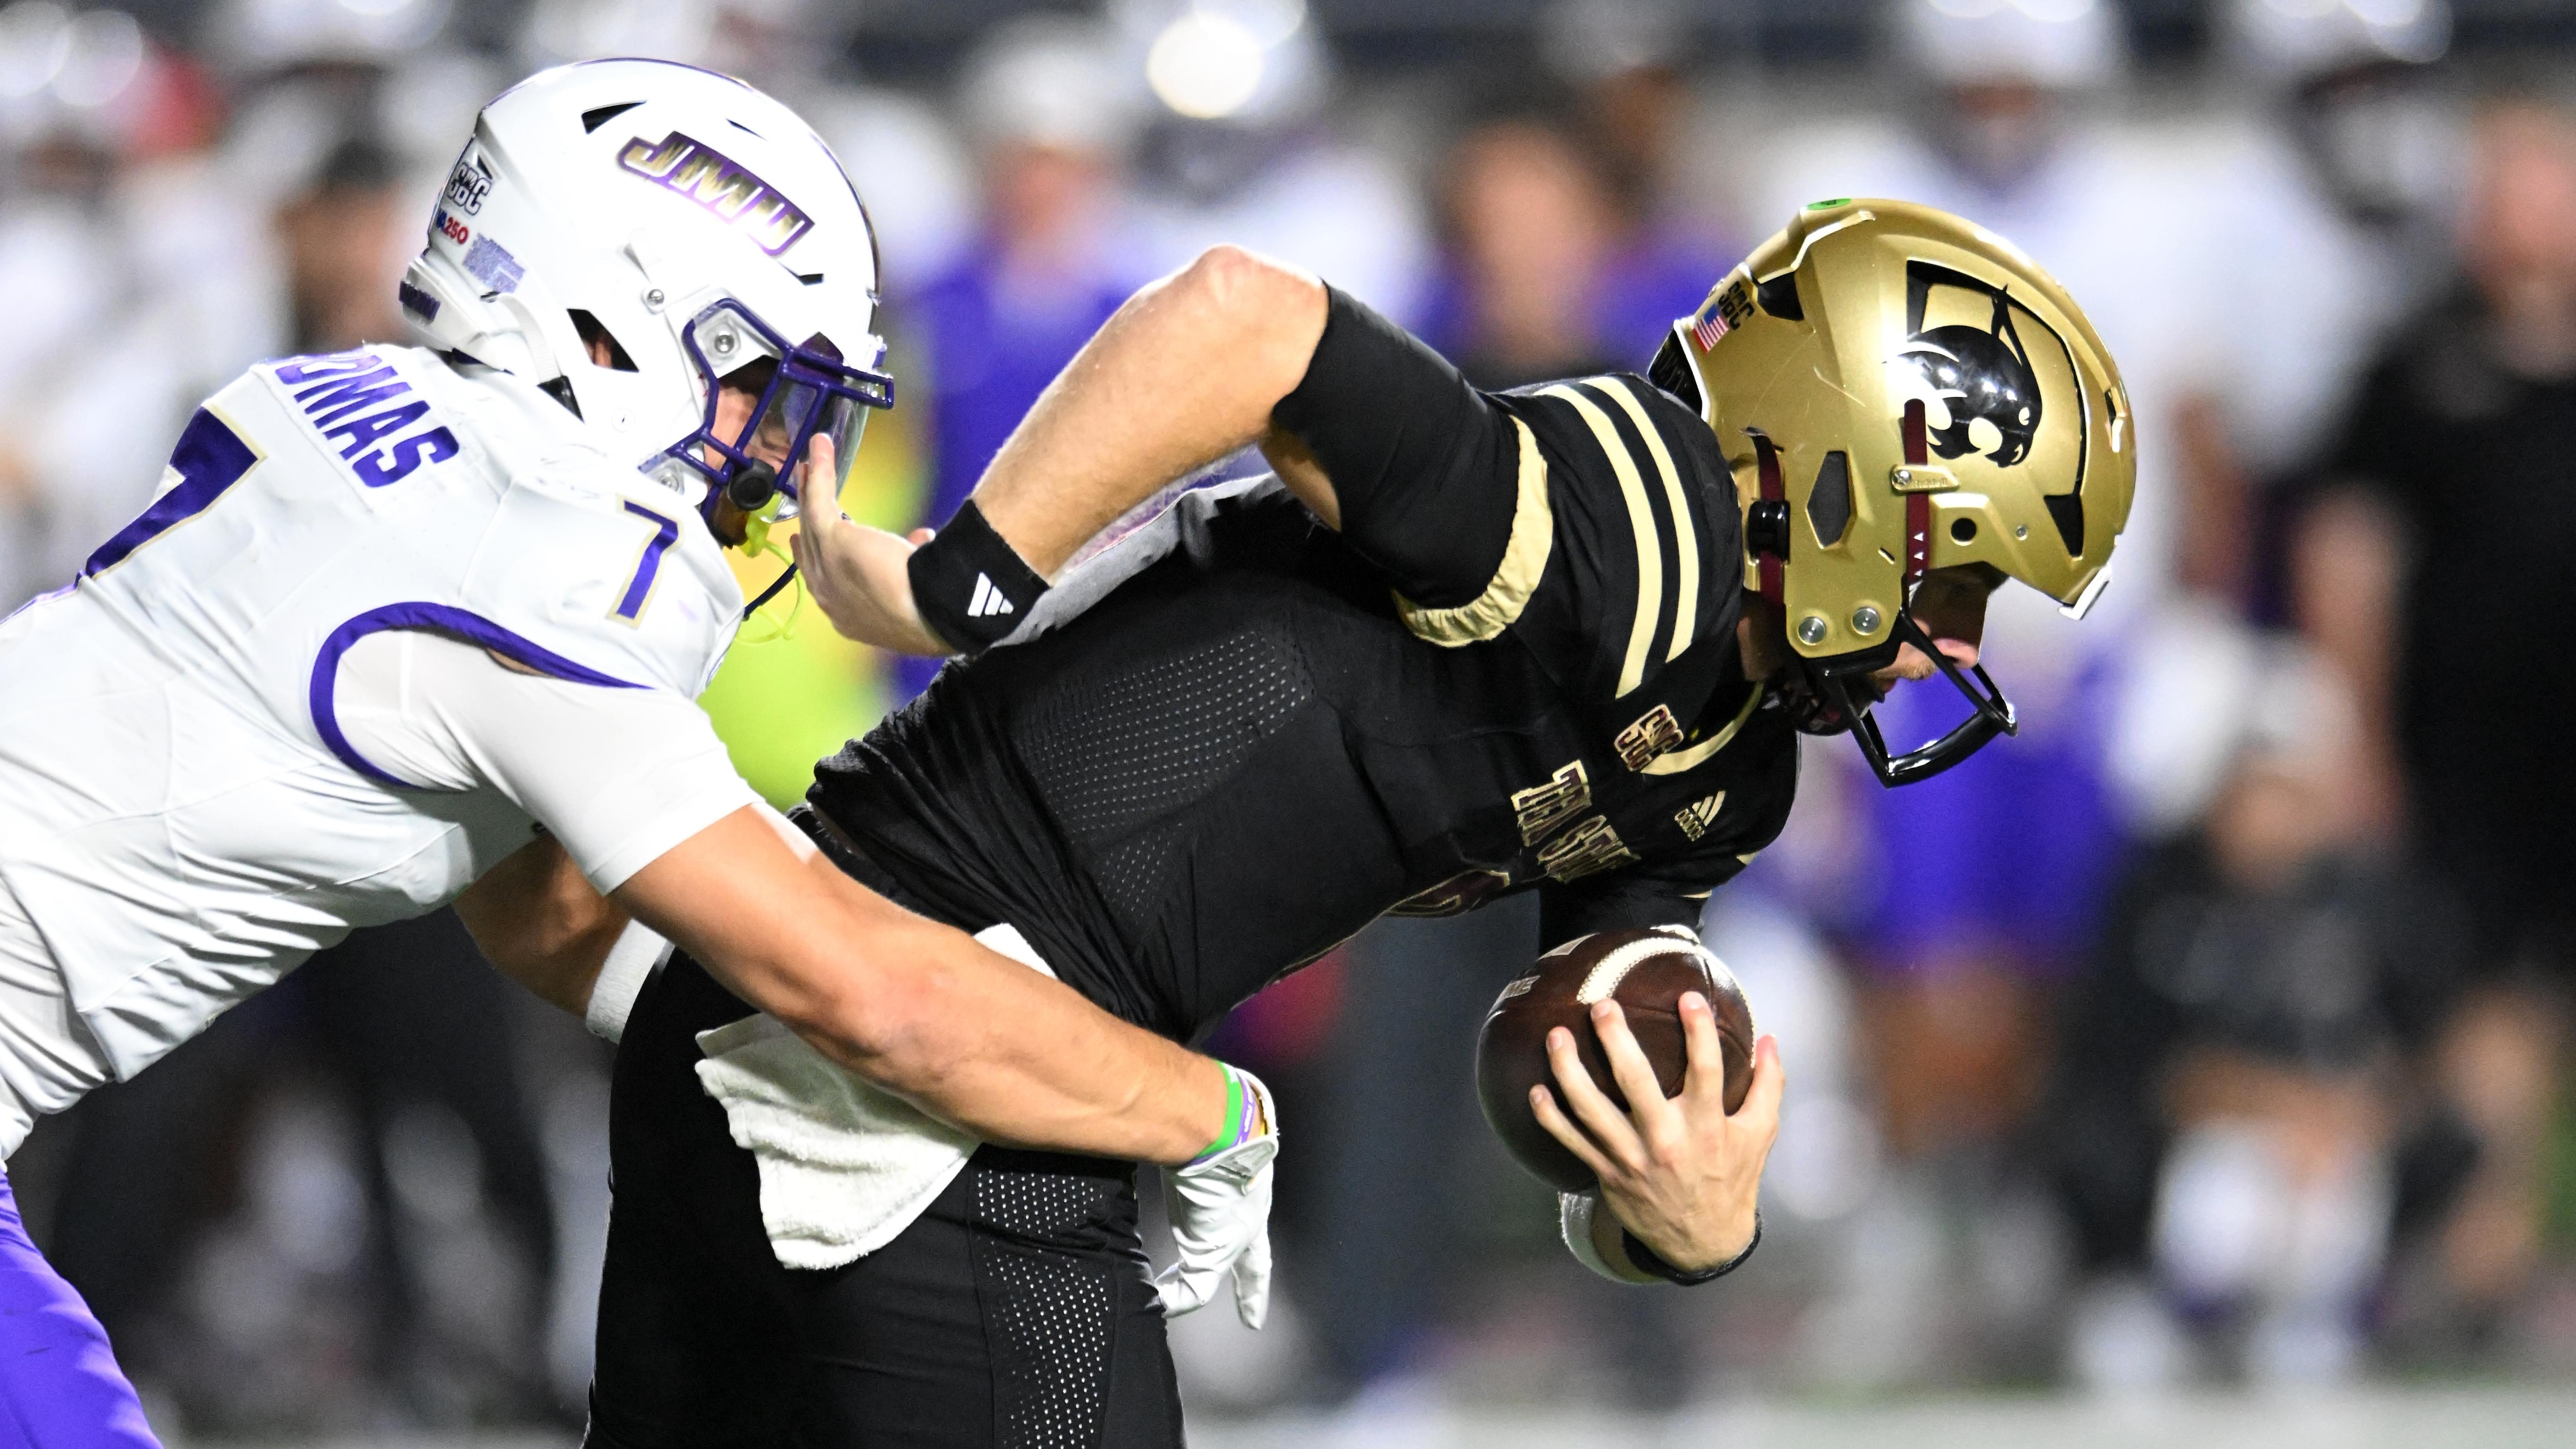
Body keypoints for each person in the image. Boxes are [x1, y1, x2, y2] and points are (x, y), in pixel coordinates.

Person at [574, 199, 2135, 1446]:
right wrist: (964, 579)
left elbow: (1587, 1075)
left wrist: (1681, 1221)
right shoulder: (1624, 522)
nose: (1959, 647)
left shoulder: (1728, 769)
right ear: (1851, 479)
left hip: (830, 1015)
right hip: (934, 1045)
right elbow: (1249, 318)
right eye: (1964, 577)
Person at [0, 60, 1244, 1447]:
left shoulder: (351, 405)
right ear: (610, 328)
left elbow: (539, 906)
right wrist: (1201, 1109)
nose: (783, 457)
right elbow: (874, 995)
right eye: (759, 386)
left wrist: (772, 1040)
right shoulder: (546, 565)